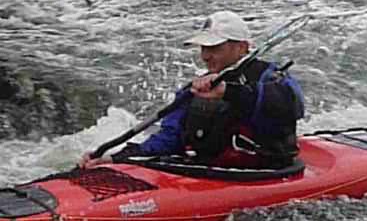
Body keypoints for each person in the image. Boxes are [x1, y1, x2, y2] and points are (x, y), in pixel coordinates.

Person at [80, 11, 305, 169]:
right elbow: (169, 138)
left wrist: (228, 91)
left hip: (264, 172)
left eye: (215, 47)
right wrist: (117, 158)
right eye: (203, 48)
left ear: (242, 47)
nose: (206, 56)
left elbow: (290, 106)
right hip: (209, 172)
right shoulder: (198, 88)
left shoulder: (273, 77)